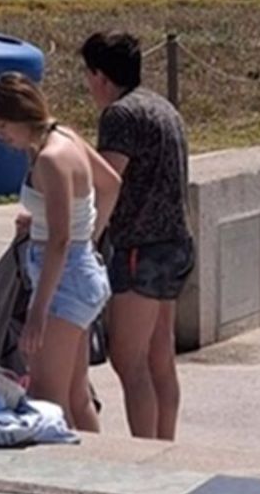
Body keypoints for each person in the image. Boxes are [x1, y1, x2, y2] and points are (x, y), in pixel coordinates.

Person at [0, 73, 119, 433]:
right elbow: (110, 186)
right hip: (78, 270)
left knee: (46, 396)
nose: (0, 136)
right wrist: (86, 236)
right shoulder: (67, 136)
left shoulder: (50, 159)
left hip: (63, 280)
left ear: (21, 114)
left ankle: (58, 478)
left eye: (2, 125)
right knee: (77, 396)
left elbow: (60, 239)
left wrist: (37, 313)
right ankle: (99, 469)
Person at [82, 32, 193, 441]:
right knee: (160, 356)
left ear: (100, 76)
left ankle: (144, 454)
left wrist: (85, 233)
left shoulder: (120, 115)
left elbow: (106, 180)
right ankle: (165, 444)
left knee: (129, 360)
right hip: (176, 244)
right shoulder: (162, 106)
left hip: (140, 249)